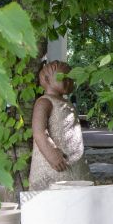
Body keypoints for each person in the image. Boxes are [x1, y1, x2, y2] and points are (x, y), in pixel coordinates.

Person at [28, 60, 92, 190]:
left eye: (71, 78)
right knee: (53, 192)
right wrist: (50, 153)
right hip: (52, 164)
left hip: (74, 161)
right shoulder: (44, 102)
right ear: (47, 79)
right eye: (64, 78)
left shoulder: (65, 102)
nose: (69, 81)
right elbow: (39, 132)